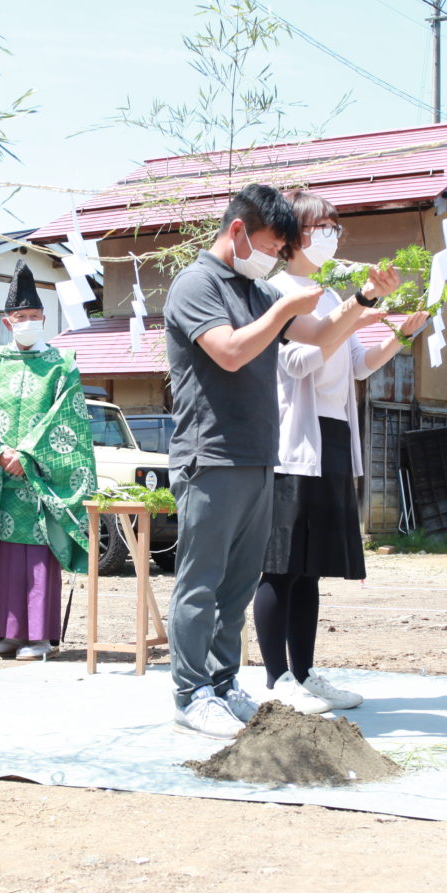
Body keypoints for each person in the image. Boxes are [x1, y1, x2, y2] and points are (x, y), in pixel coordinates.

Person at [161, 184, 394, 739]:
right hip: (210, 454)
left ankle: (222, 683)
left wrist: (363, 300)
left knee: (239, 584)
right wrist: (287, 306)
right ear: (238, 231)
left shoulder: (257, 289)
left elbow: (322, 335)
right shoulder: (197, 284)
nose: (274, 257)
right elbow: (232, 351)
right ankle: (189, 692)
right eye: (271, 244)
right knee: (201, 582)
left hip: (260, 454)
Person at [256, 189, 427, 714]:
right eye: (320, 226)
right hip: (289, 445)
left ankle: (305, 674)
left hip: (331, 435)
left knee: (311, 567)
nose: (331, 235)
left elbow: (358, 365)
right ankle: (276, 678)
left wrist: (401, 332)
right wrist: (361, 308)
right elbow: (299, 364)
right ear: (291, 236)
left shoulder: (330, 296)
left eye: (335, 226)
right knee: (280, 565)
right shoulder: (275, 292)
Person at [0, 262, 97, 662]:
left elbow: (67, 418)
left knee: (37, 556)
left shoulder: (62, 366)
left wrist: (27, 455)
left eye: (34, 317)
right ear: (7, 323)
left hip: (42, 482)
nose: (28, 322)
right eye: (20, 317)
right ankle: (0, 632)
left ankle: (38, 637)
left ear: (44, 319)